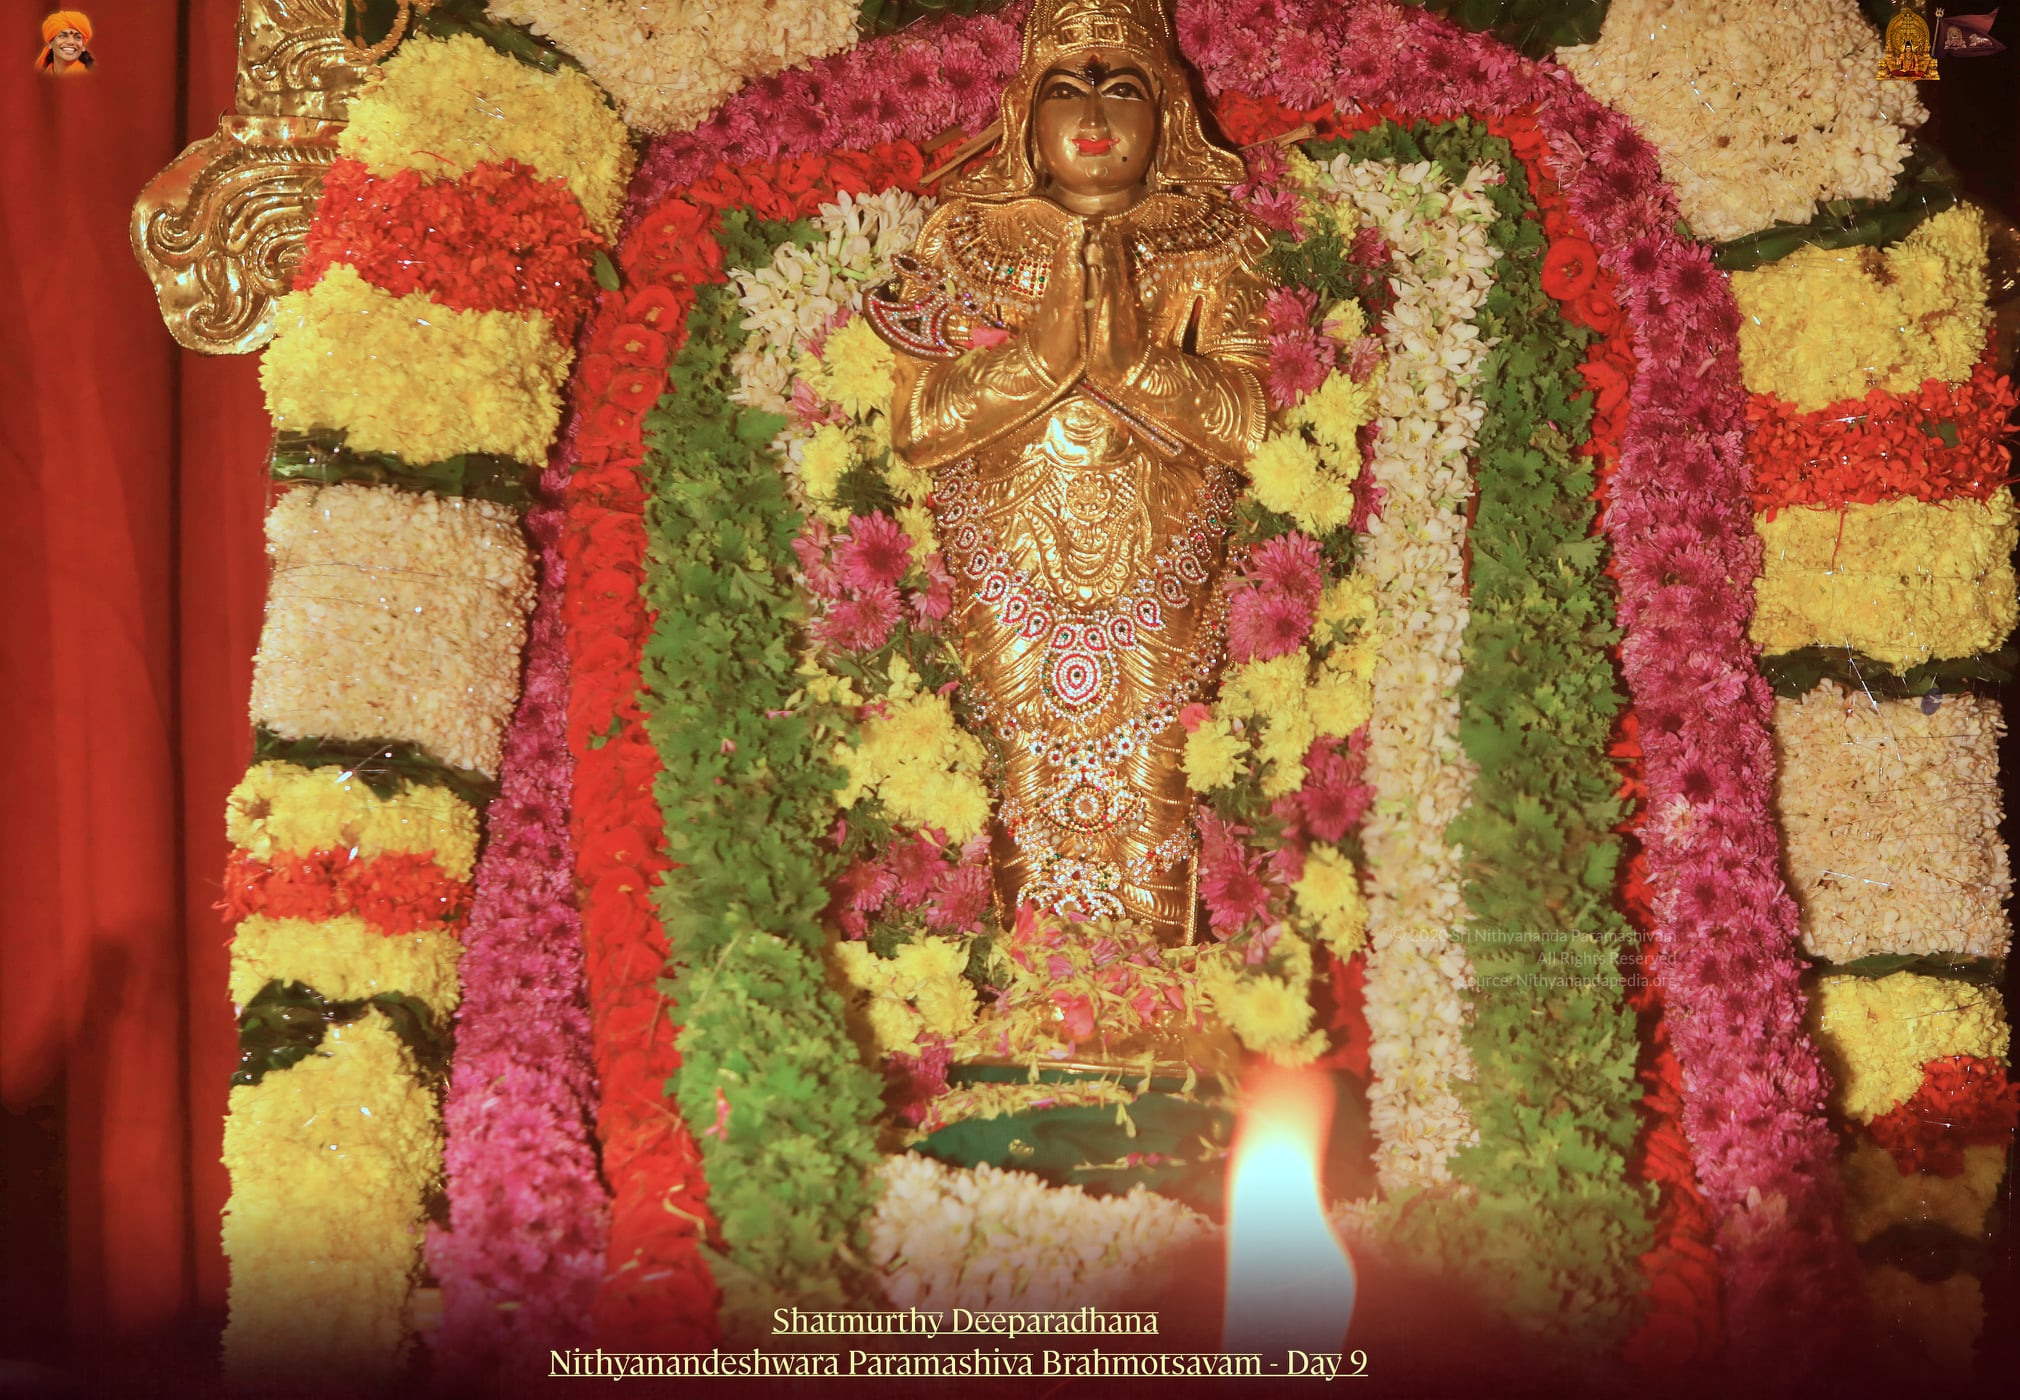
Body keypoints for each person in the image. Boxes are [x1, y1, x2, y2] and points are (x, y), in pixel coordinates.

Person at [867, 0, 1273, 945]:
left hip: (1166, 579)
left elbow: (1257, 426)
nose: (1093, 113)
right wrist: (1040, 361)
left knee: (1161, 792)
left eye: (1122, 88)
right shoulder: (959, 237)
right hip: (1004, 577)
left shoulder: (1219, 237)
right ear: (1025, 114)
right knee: (1009, 790)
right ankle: (1006, 1001)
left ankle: (1168, 1003)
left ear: (1168, 111)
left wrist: (1135, 368)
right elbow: (918, 427)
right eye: (1065, 89)